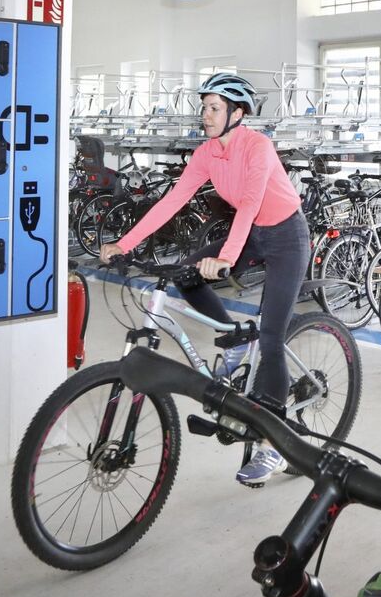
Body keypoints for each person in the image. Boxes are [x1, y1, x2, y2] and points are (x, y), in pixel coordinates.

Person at [99, 73, 308, 487]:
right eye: (204, 107)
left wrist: (226, 257)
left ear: (237, 113)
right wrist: (124, 243)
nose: (205, 115)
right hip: (252, 233)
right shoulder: (207, 153)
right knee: (185, 275)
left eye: (214, 108)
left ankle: (274, 445)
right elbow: (173, 201)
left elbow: (250, 203)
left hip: (287, 236)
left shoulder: (257, 146)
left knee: (271, 338)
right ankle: (234, 335)